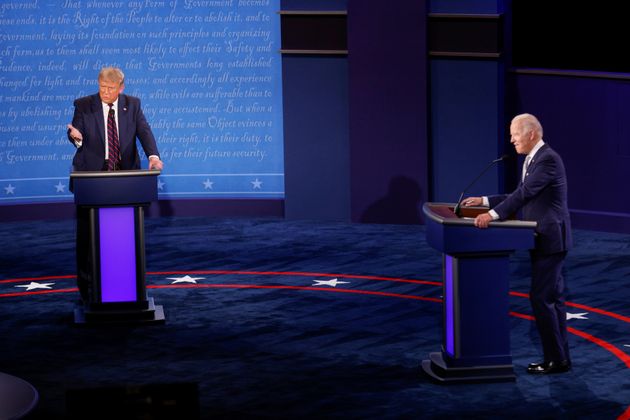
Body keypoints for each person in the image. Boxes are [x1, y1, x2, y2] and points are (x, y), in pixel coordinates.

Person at [462, 113, 572, 374]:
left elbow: (524, 194)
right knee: (552, 299)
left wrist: (491, 216)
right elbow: (520, 193)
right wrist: (485, 201)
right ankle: (560, 358)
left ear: (531, 133)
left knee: (542, 298)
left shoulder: (547, 160)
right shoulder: (535, 159)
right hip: (544, 237)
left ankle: (555, 360)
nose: (511, 140)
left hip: (551, 238)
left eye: (515, 134)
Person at [67, 67, 164, 302]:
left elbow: (144, 131)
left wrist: (153, 156)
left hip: (125, 179)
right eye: (102, 87)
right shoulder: (84, 104)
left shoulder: (132, 105)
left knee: (126, 234)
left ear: (121, 88)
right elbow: (75, 132)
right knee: (87, 236)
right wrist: (76, 137)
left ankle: (129, 285)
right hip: (91, 179)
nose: (105, 92)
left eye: (110, 88)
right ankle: (87, 288)